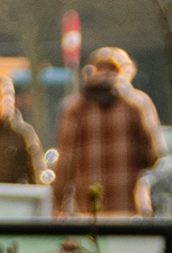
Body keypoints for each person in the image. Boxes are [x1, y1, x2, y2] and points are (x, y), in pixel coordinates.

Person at [50, 48, 161, 217]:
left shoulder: (75, 108)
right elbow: (153, 155)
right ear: (123, 71)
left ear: (93, 70)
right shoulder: (138, 104)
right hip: (128, 205)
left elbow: (65, 161)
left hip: (89, 207)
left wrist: (58, 203)